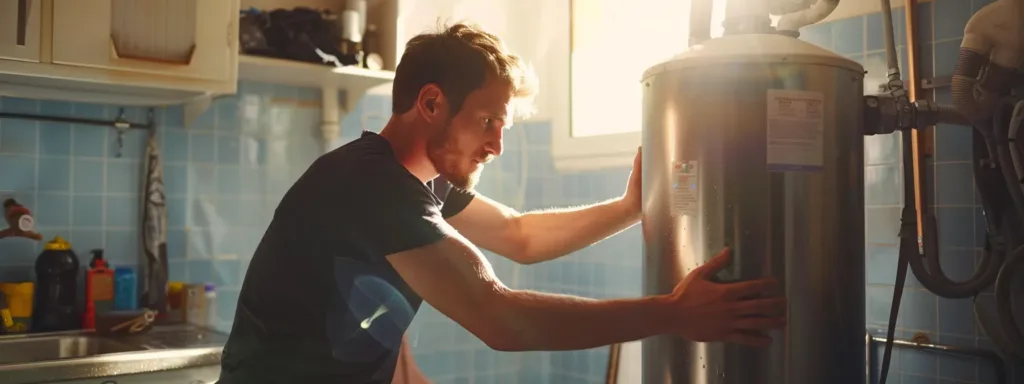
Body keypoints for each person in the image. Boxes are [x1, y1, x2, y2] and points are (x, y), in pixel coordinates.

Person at [217, 22, 787, 384]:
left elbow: (520, 236)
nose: (497, 144)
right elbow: (501, 318)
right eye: (488, 121)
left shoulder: (418, 183)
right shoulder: (373, 185)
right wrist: (674, 313)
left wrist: (629, 207)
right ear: (432, 102)